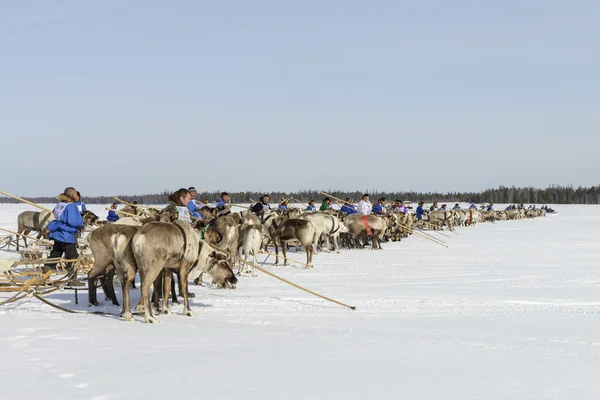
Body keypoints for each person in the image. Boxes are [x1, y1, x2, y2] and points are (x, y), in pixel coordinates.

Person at [45, 187, 84, 286]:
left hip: (57, 235)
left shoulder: (60, 204)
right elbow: (74, 222)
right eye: (75, 194)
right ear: (71, 195)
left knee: (54, 257)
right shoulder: (71, 206)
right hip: (67, 236)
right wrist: (81, 223)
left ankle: (44, 277)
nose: (77, 196)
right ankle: (72, 280)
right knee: (73, 258)